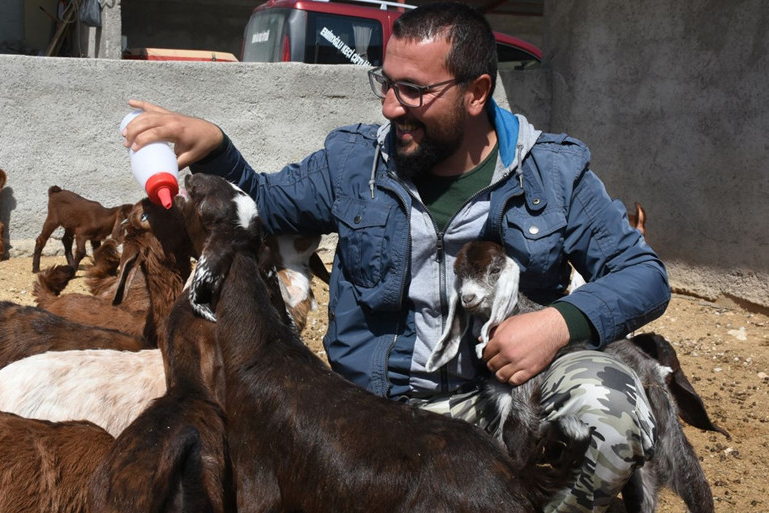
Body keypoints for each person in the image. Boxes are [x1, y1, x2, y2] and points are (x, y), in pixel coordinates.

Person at [122, 3, 670, 511]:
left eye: (412, 90)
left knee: (610, 413)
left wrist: (556, 323)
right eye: (385, 83)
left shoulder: (553, 171)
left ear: (477, 92)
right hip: (377, 419)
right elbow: (266, 203)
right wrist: (215, 142)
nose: (389, 106)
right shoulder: (355, 160)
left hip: (504, 407)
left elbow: (643, 275)